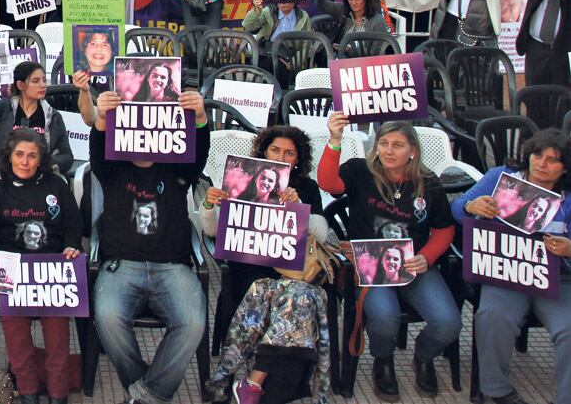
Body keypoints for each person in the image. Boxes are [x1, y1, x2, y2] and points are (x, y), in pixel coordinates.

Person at [86, 78, 211, 404]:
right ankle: (149, 388)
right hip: (120, 263)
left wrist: (199, 118)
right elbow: (97, 146)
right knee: (109, 318)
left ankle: (145, 395)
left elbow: (200, 150)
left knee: (193, 322)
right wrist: (101, 117)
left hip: (173, 266)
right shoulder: (112, 168)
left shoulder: (177, 168)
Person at [319, 115, 459, 398]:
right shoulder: (360, 170)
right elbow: (328, 183)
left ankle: (423, 356)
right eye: (383, 143)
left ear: (413, 151)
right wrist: (335, 139)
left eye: (398, 145)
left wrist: (427, 258)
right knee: (385, 319)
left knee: (448, 322)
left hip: (413, 264)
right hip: (371, 265)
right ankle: (383, 361)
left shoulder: (428, 182)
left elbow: (444, 230)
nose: (389, 150)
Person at [203, 126, 332, 404]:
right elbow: (212, 231)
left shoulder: (306, 187)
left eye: (289, 152)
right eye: (275, 150)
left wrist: (299, 210)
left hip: (292, 272)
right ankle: (255, 383)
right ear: (264, 151)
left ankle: (246, 381)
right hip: (249, 270)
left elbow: (322, 233)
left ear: (298, 159)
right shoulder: (242, 181)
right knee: (291, 301)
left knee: (297, 297)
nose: (282, 156)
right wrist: (210, 205)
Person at [0, 128, 83, 404]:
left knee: (58, 339)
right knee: (17, 339)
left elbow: (74, 225)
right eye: (19, 155)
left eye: (32, 156)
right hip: (11, 273)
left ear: (41, 159)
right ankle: (27, 392)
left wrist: (72, 246)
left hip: (51, 274)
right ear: (9, 157)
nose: (25, 162)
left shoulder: (56, 186)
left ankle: (58, 394)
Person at [453, 128, 571, 404]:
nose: (542, 164)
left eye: (553, 160)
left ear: (565, 169)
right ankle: (497, 390)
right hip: (505, 273)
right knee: (492, 318)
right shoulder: (500, 178)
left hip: (556, 278)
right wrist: (472, 206)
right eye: (537, 156)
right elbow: (456, 208)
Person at [0, 60, 73, 181]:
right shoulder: (5, 109)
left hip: (39, 179)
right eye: (35, 81)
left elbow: (67, 157)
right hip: (3, 178)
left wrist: (42, 162)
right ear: (20, 85)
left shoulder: (53, 117)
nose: (42, 85)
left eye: (44, 80)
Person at [315, 0, 390, 42]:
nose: (353, 3)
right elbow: (321, 5)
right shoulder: (343, 10)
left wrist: (351, 50)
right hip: (341, 57)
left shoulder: (377, 21)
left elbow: (377, 52)